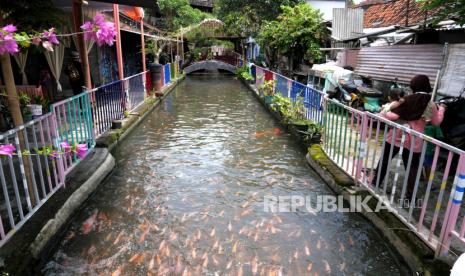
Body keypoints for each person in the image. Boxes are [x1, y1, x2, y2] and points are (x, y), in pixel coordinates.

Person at [371, 75, 446, 201]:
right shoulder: (430, 104)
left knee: (385, 159)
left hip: (396, 135)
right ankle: (410, 196)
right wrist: (442, 109)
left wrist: (383, 112)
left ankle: (374, 184)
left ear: (413, 86)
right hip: (415, 140)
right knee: (412, 167)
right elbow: (435, 122)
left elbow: (392, 116)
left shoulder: (405, 100)